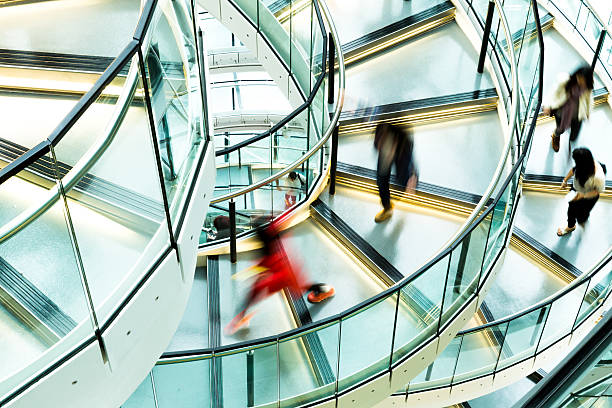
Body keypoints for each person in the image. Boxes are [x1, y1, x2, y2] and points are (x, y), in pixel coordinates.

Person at [225, 221, 335, 334]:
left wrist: (261, 280)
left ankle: (325, 289)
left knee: (299, 289)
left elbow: (268, 278)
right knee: (300, 287)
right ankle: (324, 289)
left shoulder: (270, 256)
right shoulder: (273, 244)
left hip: (286, 275)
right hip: (285, 271)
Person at [373, 123, 418, 223]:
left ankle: (409, 180)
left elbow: (409, 157)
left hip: (400, 136)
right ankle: (387, 207)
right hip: (387, 132)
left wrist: (413, 174)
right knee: (381, 178)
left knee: (403, 180)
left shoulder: (404, 141)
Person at [543, 66, 594, 153]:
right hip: (563, 110)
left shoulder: (587, 87)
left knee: (575, 134)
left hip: (578, 112)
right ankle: (555, 136)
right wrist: (547, 105)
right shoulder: (566, 81)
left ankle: (568, 137)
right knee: (560, 128)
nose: (580, 80)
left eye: (583, 79)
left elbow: (589, 100)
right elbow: (554, 93)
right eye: (579, 77)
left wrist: (588, 112)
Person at [557, 148, 606, 236]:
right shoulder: (584, 164)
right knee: (573, 210)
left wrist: (582, 196)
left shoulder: (598, 177)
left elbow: (597, 192)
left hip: (587, 196)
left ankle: (576, 223)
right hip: (578, 189)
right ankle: (575, 222)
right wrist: (565, 181)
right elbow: (573, 170)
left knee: (578, 212)